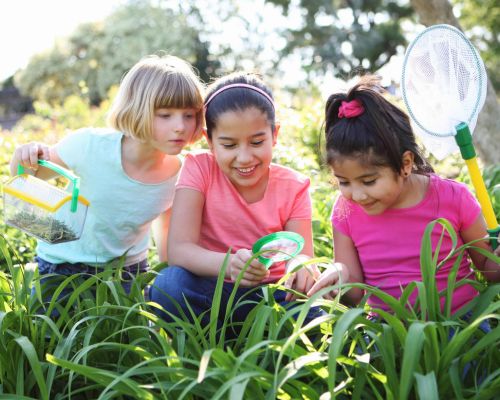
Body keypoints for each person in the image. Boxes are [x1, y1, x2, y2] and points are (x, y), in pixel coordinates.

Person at [9, 55, 205, 303]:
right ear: (136, 111)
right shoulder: (89, 145)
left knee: (124, 339)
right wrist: (22, 156)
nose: (180, 126)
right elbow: (27, 178)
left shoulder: (181, 171)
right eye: (165, 115)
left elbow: (166, 232)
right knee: (51, 338)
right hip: (62, 266)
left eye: (189, 115)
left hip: (127, 272)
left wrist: (165, 283)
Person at [307, 75, 500, 314]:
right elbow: (354, 295)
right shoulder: (345, 210)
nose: (356, 195)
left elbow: (489, 268)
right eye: (343, 181)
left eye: (369, 181)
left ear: (405, 163)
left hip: (460, 326)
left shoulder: (452, 198)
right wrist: (340, 277)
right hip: (389, 334)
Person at [149, 72, 319, 330]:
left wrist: (300, 268)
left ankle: (257, 337)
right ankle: (216, 336)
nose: (244, 157)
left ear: (275, 134)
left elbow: (302, 254)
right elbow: (179, 250)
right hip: (210, 289)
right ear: (210, 141)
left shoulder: (294, 187)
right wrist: (229, 266)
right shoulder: (199, 169)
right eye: (229, 145)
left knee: (315, 312)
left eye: (257, 142)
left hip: (269, 296)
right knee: (169, 286)